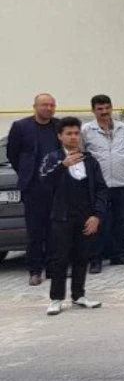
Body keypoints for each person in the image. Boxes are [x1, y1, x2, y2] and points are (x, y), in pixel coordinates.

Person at [38, 117, 108, 316]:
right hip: (61, 216)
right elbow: (44, 182)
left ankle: (79, 295)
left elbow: (102, 189)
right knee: (59, 258)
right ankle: (56, 298)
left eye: (76, 133)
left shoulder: (90, 160)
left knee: (82, 256)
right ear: (60, 136)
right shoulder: (52, 158)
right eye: (69, 133)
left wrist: (97, 216)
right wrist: (63, 165)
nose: (73, 137)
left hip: (85, 216)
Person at [6, 93, 60, 286]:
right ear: (35, 106)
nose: (48, 108)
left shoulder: (58, 126)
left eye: (51, 105)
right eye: (44, 105)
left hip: (55, 186)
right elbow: (12, 153)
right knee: (35, 230)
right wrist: (25, 172)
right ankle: (35, 271)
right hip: (33, 187)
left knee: (55, 229)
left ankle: (54, 269)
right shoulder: (21, 127)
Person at [81, 94, 124, 274]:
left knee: (122, 219)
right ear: (93, 110)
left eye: (107, 108)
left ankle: (117, 255)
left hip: (121, 181)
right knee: (99, 221)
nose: (104, 112)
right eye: (100, 109)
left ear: (111, 108)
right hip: (99, 184)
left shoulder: (123, 128)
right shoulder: (87, 130)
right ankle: (95, 259)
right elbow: (83, 154)